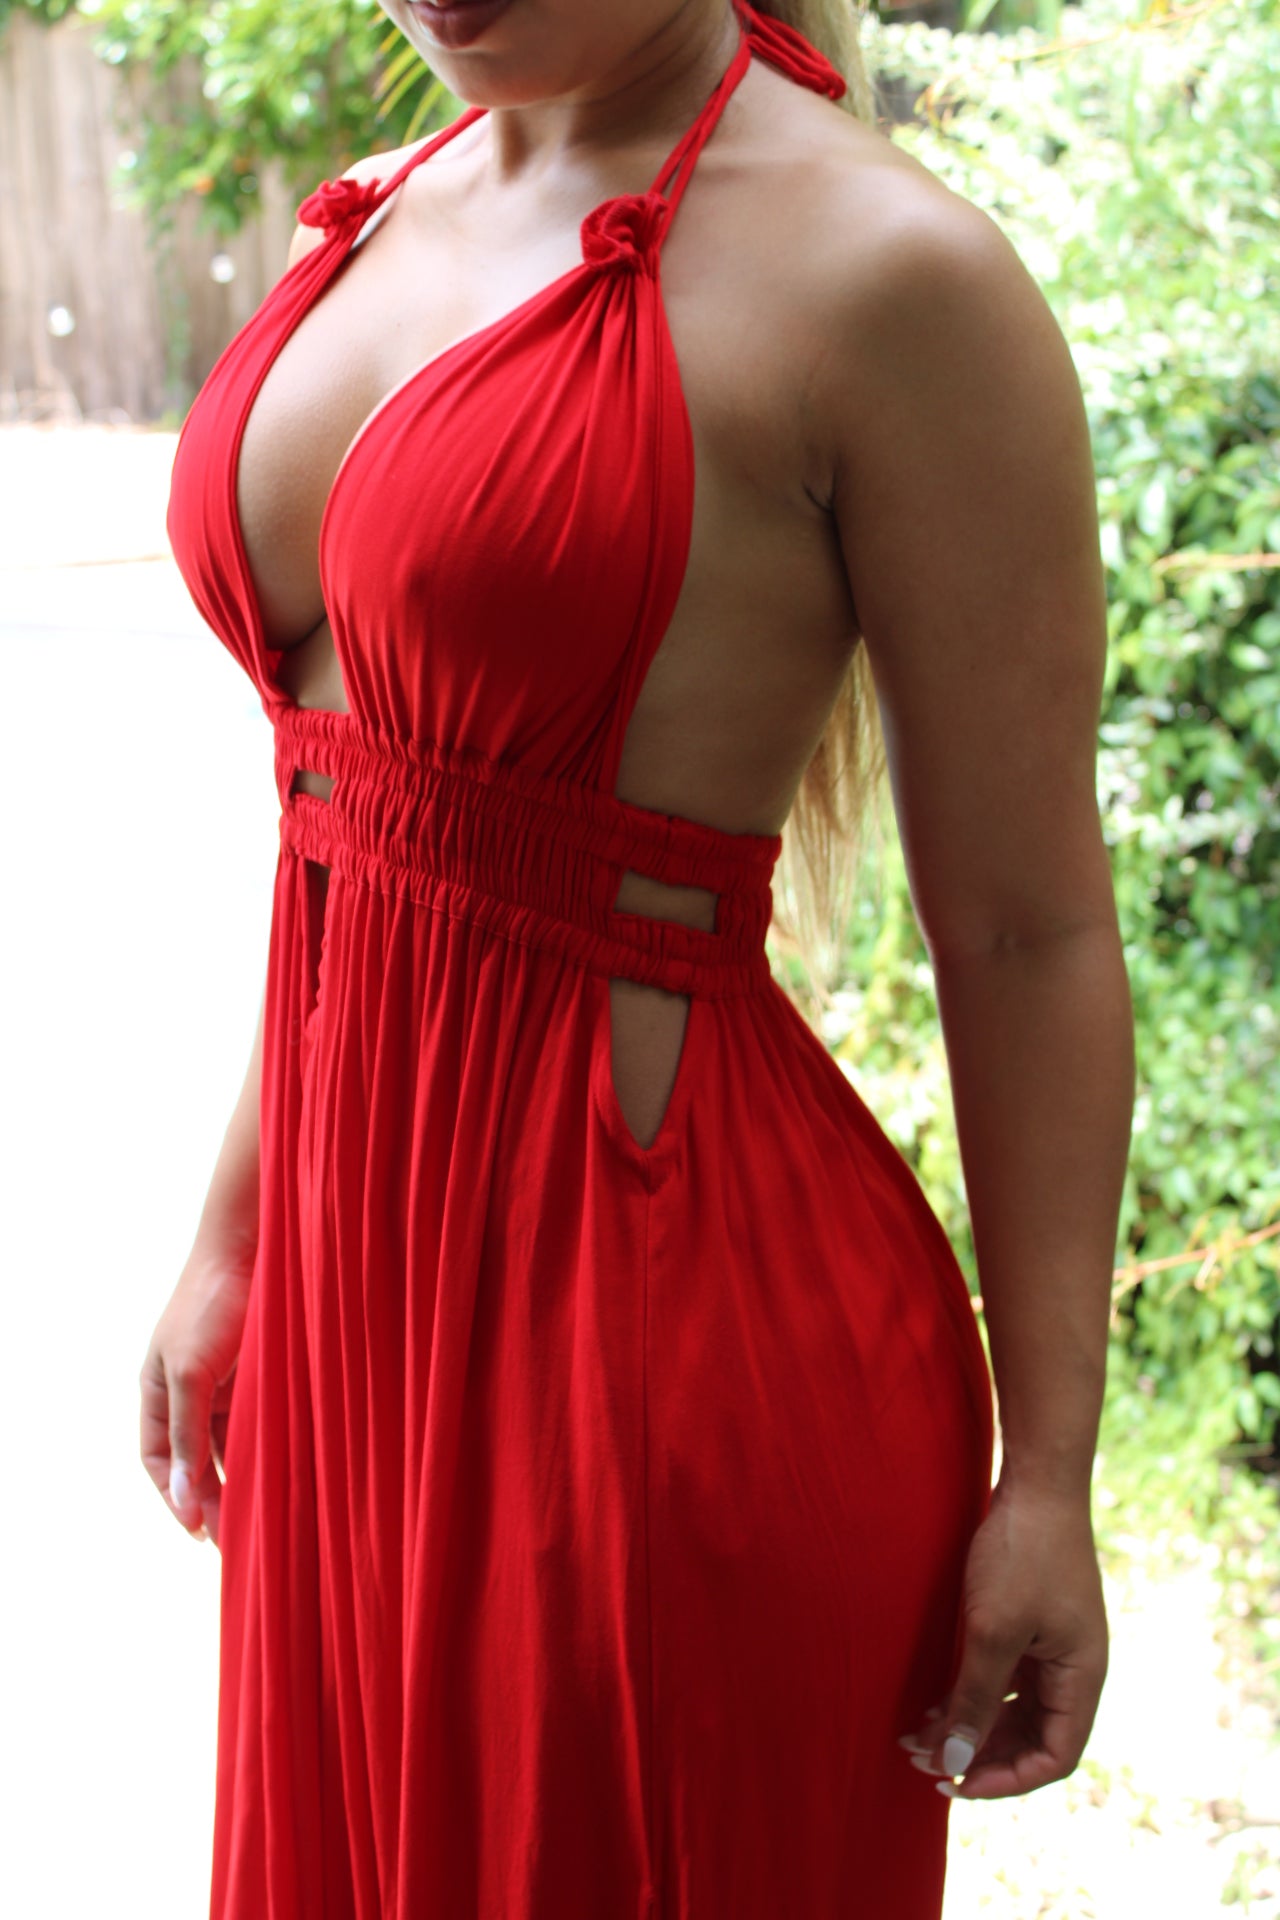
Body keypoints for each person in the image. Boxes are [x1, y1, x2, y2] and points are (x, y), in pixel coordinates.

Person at [141, 0, 1134, 1912]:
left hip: (660, 1359)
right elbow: (377, 825)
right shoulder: (395, 198)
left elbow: (1028, 929)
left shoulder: (888, 276)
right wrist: (239, 1230)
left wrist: (1053, 1471)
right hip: (366, 1337)